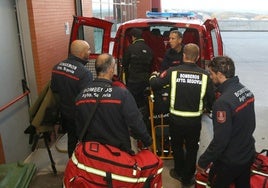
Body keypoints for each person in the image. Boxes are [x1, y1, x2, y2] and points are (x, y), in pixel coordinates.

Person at [150, 43, 215, 187]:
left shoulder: (173, 72)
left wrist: (153, 76)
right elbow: (211, 98)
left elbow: (155, 84)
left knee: (177, 146)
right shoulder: (205, 75)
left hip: (176, 119)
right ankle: (188, 176)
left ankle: (178, 171)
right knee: (193, 148)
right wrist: (207, 108)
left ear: (183, 56)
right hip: (194, 121)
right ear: (197, 57)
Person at [197, 56, 256, 188]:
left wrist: (203, 161)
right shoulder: (246, 91)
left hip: (230, 161)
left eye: (211, 74)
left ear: (219, 74)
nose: (211, 77)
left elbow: (220, 141)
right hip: (247, 154)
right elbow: (250, 125)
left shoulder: (223, 103)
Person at [75, 53, 152, 154]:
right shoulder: (122, 94)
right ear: (111, 69)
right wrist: (147, 141)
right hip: (117, 154)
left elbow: (78, 125)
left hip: (92, 153)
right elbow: (135, 122)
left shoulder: (81, 96)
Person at [50, 40, 93, 157]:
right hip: (80, 116)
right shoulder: (84, 73)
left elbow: (54, 89)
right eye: (88, 50)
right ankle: (84, 167)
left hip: (65, 113)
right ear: (81, 53)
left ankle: (71, 165)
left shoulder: (57, 67)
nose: (90, 52)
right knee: (85, 143)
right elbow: (88, 100)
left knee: (72, 140)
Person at [122, 28, 153, 108]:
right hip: (146, 81)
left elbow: (124, 64)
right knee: (144, 102)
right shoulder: (149, 49)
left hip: (133, 81)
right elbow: (151, 66)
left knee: (133, 103)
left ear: (133, 37)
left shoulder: (130, 48)